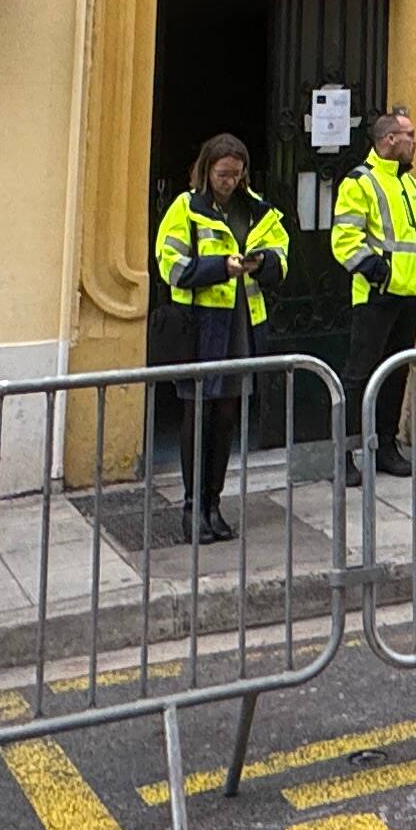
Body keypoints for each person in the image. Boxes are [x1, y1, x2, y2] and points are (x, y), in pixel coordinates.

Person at [149, 135, 288, 543]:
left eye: (236, 173)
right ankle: (192, 507)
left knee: (226, 415)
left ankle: (214, 502)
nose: (229, 181)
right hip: (200, 324)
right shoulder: (185, 209)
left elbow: (282, 257)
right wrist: (219, 268)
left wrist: (262, 263)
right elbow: (170, 265)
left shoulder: (259, 210)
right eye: (222, 173)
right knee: (197, 414)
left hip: (242, 324)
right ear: (206, 170)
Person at [327, 108, 416, 486]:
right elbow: (345, 240)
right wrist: (380, 272)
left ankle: (385, 445)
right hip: (377, 295)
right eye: (409, 134)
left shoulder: (410, 183)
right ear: (390, 139)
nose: (415, 141)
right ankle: (342, 453)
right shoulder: (360, 182)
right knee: (359, 374)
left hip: (412, 292)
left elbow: (410, 239)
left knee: (395, 372)